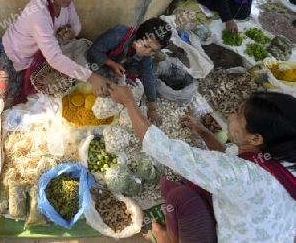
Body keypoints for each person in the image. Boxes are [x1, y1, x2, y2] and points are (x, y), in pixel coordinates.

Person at [110, 85, 296, 243]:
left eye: (239, 117)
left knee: (180, 196)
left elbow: (161, 147)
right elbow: (230, 159)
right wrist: (205, 133)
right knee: (192, 182)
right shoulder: (283, 157)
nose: (230, 117)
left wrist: (129, 102)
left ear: (255, 138)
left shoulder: (244, 176)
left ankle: (168, 238)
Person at [87, 18, 172, 126]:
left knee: (137, 74)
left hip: (120, 62)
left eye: (153, 50)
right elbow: (95, 50)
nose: (147, 52)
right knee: (102, 84)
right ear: (138, 36)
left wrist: (152, 108)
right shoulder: (118, 34)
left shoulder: (145, 55)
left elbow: (149, 76)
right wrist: (111, 64)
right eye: (145, 46)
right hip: (97, 61)